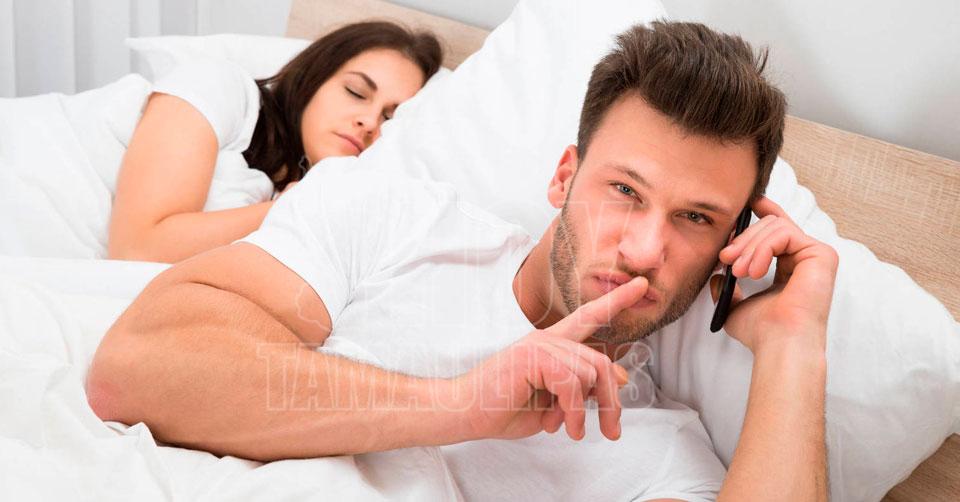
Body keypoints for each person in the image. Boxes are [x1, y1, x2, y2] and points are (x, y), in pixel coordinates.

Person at [87, 21, 837, 501]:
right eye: (624, 191)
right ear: (565, 177)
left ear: (729, 247)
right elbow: (136, 368)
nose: (644, 250)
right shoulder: (392, 217)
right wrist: (458, 405)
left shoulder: (657, 452)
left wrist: (793, 346)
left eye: (695, 218)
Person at [107, 22, 442, 263]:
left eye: (389, 117)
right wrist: (294, 206)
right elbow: (137, 248)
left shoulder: (323, 190)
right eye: (355, 92)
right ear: (314, 76)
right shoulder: (218, 85)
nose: (369, 121)